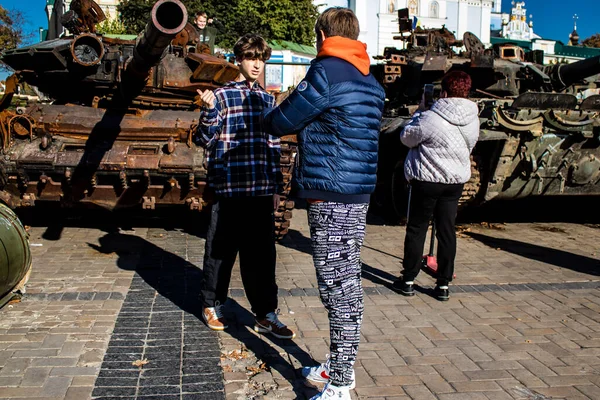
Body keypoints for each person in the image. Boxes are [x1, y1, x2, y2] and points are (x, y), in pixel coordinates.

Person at [262, 7, 385, 400]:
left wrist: (265, 114)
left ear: (321, 34)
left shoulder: (327, 71)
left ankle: (343, 381)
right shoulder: (368, 77)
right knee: (344, 281)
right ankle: (337, 363)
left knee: (338, 287)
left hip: (330, 192)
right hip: (355, 191)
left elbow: (283, 121)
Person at [195, 33, 295, 340]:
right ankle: (211, 304)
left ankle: (265, 314)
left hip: (260, 190)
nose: (257, 64)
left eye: (261, 58)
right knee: (220, 251)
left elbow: (273, 146)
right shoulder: (222, 96)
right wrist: (209, 110)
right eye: (251, 58)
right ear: (238, 59)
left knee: (262, 257)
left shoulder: (267, 99)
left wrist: (277, 187)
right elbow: (204, 138)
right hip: (229, 189)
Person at [391, 71, 480, 301]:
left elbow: (406, 138)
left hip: (427, 181)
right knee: (447, 231)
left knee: (417, 229)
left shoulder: (431, 117)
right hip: (454, 182)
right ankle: (443, 284)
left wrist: (419, 112)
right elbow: (470, 146)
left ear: (444, 92)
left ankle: (408, 280)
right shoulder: (473, 118)